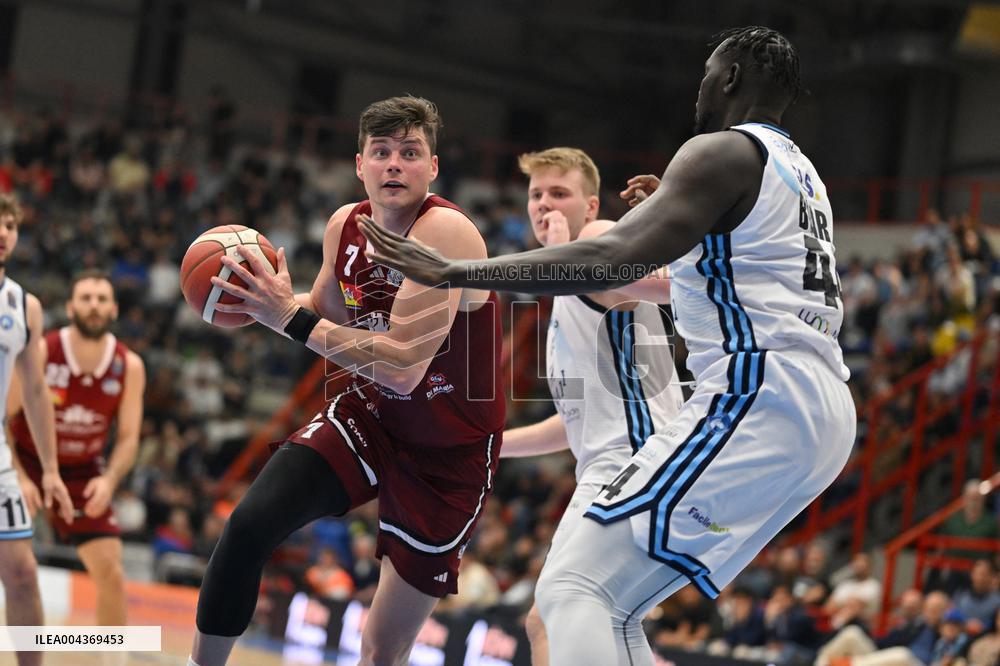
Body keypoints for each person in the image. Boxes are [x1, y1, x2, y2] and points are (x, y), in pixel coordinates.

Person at [360, 26, 856, 665]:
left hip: (759, 393)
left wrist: (457, 272)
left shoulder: (719, 152)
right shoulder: (799, 172)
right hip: (816, 409)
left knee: (572, 593)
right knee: (597, 607)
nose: (699, 88)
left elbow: (610, 257)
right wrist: (692, 230)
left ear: (730, 78)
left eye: (707, 73)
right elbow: (748, 272)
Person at [188, 95, 505, 666]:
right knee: (246, 529)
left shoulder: (448, 235)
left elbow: (404, 368)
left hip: (446, 451)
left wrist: (288, 316)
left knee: (382, 648)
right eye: (380, 152)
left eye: (410, 153)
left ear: (432, 168)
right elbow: (321, 313)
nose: (393, 164)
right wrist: (259, 304)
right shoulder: (346, 225)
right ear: (359, 165)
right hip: (367, 416)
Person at [499, 147, 682, 664]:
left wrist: (561, 259)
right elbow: (574, 421)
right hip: (623, 460)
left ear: (590, 204)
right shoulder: (569, 278)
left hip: (633, 461)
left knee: (552, 616)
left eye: (559, 193)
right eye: (536, 194)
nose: (544, 205)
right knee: (603, 622)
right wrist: (490, 446)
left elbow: (669, 287)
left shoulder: (597, 239)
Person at [8, 269, 145, 627]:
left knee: (111, 573)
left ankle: (110, 659)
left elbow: (129, 437)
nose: (94, 306)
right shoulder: (41, 350)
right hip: (24, 460)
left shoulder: (128, 365)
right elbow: (4, 421)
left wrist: (110, 480)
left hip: (83, 471)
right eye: (86, 298)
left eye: (102, 299)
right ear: (70, 308)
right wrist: (18, 476)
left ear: (114, 309)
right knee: (16, 568)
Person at [0, 193, 74, 666]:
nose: (3, 233)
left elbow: (34, 394)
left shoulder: (24, 306)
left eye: (10, 225)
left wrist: (48, 470)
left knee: (23, 574)